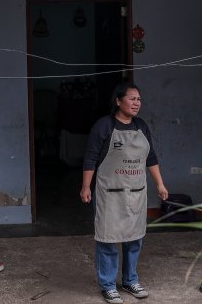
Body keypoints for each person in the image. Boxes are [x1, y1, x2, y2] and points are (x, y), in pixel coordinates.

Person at [80, 82, 169, 303]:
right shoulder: (104, 126)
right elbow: (90, 158)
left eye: (139, 99)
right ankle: (108, 285)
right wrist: (85, 186)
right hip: (109, 193)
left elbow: (151, 158)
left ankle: (130, 280)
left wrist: (160, 184)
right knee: (108, 239)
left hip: (136, 192)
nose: (136, 103)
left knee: (134, 238)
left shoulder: (141, 126)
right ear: (118, 101)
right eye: (132, 98)